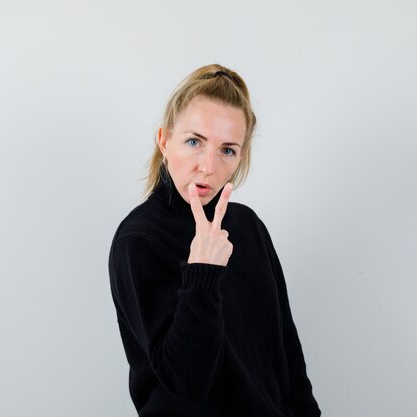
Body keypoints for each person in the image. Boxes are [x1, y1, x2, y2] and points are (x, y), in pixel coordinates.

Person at [108, 64, 321, 417]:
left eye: (227, 150)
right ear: (164, 140)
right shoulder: (139, 240)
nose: (208, 166)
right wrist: (203, 272)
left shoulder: (248, 226)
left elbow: (286, 349)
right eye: (194, 142)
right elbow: (187, 383)